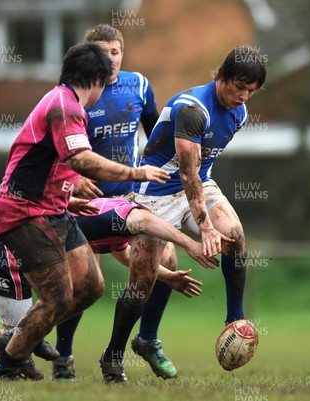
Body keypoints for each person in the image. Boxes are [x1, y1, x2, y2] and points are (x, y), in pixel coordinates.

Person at [0, 42, 170, 380]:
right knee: (58, 297)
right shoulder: (64, 106)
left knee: (91, 286)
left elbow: (57, 165)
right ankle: (8, 364)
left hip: (53, 210)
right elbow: (81, 161)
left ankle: (24, 334)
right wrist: (135, 172)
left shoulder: (67, 103)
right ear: (98, 79)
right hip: (22, 212)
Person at [99, 45, 267, 382]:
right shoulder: (193, 109)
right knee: (141, 284)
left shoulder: (240, 113)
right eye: (239, 87)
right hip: (157, 192)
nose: (244, 96)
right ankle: (113, 355)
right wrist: (204, 227)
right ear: (222, 77)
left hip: (197, 185)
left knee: (234, 235)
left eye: (251, 91)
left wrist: (208, 220)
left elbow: (199, 175)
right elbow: (186, 172)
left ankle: (234, 320)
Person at [0, 197, 214, 381]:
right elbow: (147, 222)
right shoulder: (130, 213)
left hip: (29, 259)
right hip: (10, 258)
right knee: (18, 334)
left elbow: (128, 257)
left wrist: (167, 278)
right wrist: (190, 242)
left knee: (21, 333)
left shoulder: (118, 228)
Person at [55, 24, 180, 381]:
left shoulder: (139, 85)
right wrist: (75, 178)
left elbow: (158, 135)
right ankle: (63, 356)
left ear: (122, 53)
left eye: (114, 51)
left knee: (164, 262)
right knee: (84, 284)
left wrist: (174, 168)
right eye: (100, 52)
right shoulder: (72, 95)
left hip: (129, 198)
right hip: (88, 203)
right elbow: (58, 150)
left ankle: (146, 339)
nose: (109, 59)